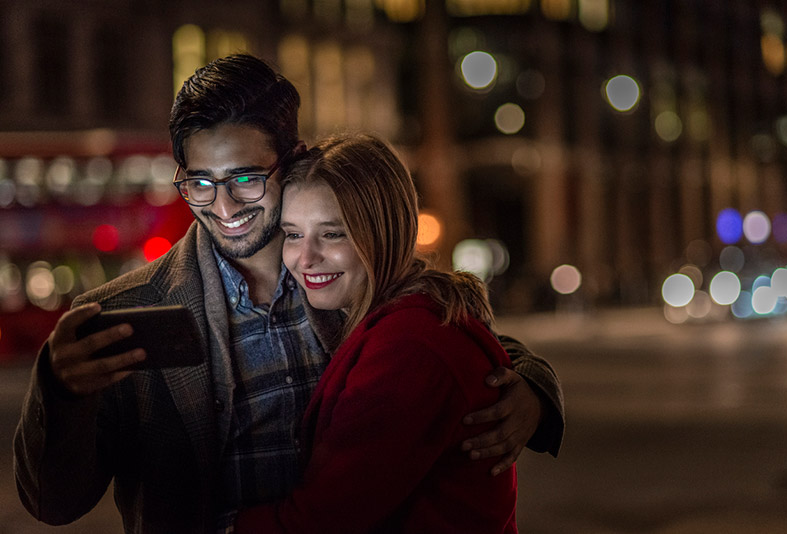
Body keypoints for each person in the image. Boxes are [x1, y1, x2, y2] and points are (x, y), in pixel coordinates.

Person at [13, 54, 563, 533]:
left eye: (245, 179)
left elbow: (435, 328)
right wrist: (60, 393)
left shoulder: (342, 268)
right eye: (200, 183)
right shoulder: (128, 311)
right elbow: (52, 504)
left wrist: (533, 385)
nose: (223, 207)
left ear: (293, 159)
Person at [235, 133, 520, 533]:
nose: (305, 258)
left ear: (384, 231)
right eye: (294, 234)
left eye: (332, 234)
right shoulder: (402, 319)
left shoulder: (410, 346)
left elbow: (325, 519)